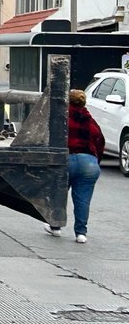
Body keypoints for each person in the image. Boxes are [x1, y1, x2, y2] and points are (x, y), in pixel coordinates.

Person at [45, 89, 104, 244]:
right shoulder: (90, 121)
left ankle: (55, 226)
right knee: (83, 199)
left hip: (66, 159)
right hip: (89, 163)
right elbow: (100, 141)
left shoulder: (62, 119)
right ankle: (81, 233)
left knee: (59, 193)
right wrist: (94, 160)